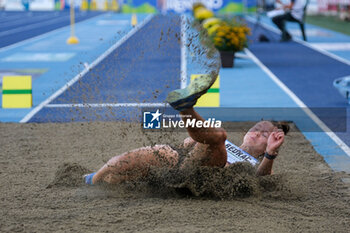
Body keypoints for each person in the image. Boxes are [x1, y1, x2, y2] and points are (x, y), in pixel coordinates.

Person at [84, 75, 289, 185]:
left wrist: (271, 154)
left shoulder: (256, 164)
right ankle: (92, 179)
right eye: (256, 128)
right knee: (120, 167)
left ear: (266, 147)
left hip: (205, 176)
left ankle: (185, 107)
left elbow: (264, 181)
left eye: (264, 135)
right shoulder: (228, 146)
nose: (256, 133)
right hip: (178, 160)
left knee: (218, 135)